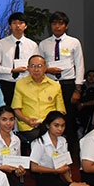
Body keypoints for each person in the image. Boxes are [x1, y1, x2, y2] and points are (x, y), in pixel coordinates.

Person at [29, 111, 94, 186]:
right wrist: (55, 170)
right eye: (56, 125)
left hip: (57, 178)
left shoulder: (63, 141)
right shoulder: (39, 142)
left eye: (62, 125)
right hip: (44, 179)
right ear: (48, 125)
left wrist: (72, 183)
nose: (60, 129)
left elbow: (65, 166)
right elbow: (34, 167)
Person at [38, 11, 85, 152]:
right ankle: (48, 151)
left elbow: (80, 65)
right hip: (49, 85)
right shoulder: (43, 44)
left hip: (68, 85)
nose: (57, 26)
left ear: (66, 26)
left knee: (68, 120)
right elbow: (39, 65)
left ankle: (71, 153)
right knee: (50, 119)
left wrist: (78, 89)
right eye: (54, 23)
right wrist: (47, 70)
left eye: (61, 23)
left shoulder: (74, 42)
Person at [12, 55, 65, 143]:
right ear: (28, 68)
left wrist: (50, 124)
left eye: (39, 66)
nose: (36, 70)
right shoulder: (20, 84)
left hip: (49, 126)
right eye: (33, 66)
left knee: (56, 139)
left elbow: (61, 111)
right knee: (41, 139)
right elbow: (16, 109)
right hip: (28, 126)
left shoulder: (55, 85)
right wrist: (27, 120)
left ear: (45, 68)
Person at [0, 12, 38, 105]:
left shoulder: (32, 45)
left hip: (26, 83)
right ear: (10, 26)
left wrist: (29, 68)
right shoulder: (1, 44)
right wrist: (12, 70)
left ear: (25, 26)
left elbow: (37, 66)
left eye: (21, 23)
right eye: (14, 23)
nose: (17, 26)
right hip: (7, 83)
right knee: (8, 111)